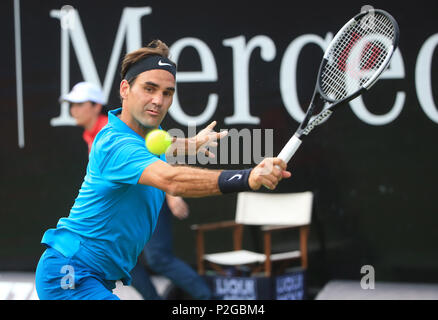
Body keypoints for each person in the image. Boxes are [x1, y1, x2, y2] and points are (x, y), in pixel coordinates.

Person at [35, 39, 291, 300]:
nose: (158, 100)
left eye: (167, 92)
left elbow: (160, 143)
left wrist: (191, 144)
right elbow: (172, 180)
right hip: (68, 273)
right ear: (125, 89)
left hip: (94, 274)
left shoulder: (149, 132)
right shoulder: (114, 142)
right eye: (149, 88)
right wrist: (249, 177)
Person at [62, 81, 213, 299]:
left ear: (96, 106)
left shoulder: (113, 131)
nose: (72, 109)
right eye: (71, 104)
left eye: (78, 104)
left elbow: (154, 151)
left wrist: (171, 194)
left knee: (158, 258)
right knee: (123, 261)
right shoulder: (93, 134)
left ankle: (208, 297)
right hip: (128, 206)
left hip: (148, 196)